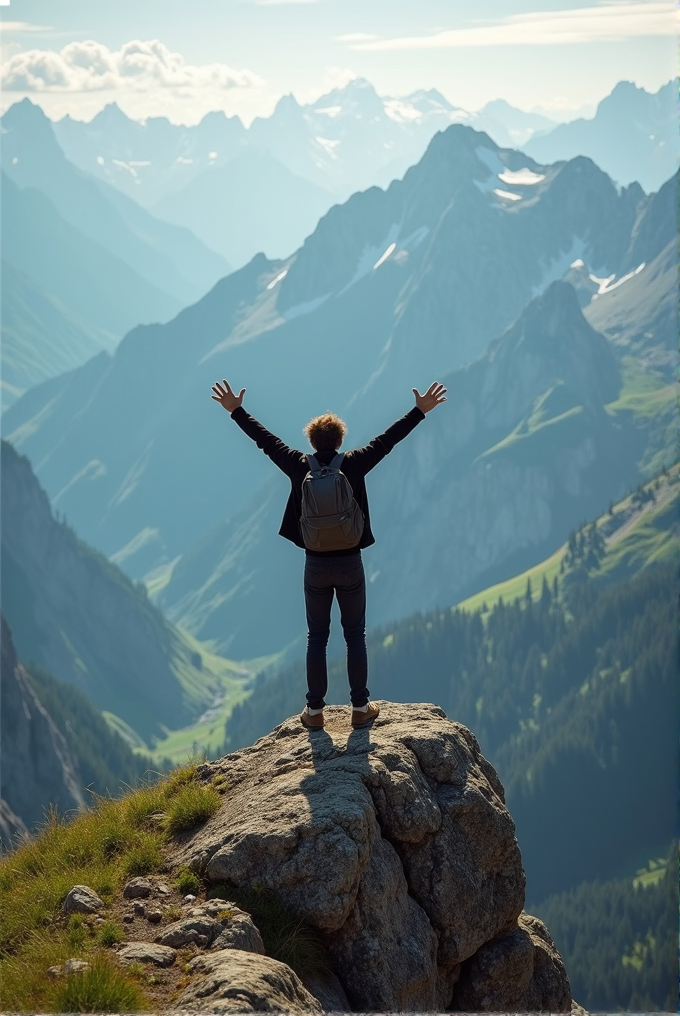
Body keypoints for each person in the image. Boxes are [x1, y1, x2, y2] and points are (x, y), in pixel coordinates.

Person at [211, 380, 447, 730]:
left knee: (316, 637)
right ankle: (360, 708)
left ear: (311, 441)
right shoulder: (353, 464)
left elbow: (265, 441)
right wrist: (419, 411)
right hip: (351, 563)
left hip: (315, 565)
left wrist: (236, 411)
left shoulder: (297, 465)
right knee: (355, 635)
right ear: (339, 441)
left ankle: (315, 712)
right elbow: (387, 441)